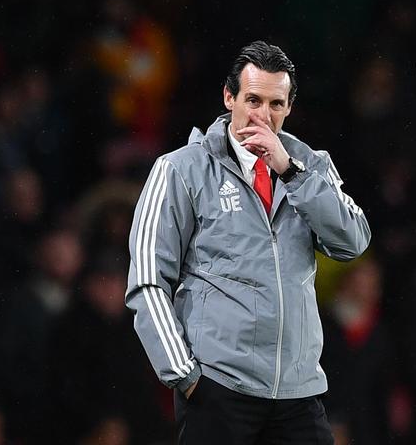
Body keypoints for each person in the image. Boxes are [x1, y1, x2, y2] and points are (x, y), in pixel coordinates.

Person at [125, 41, 371, 444]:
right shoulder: (180, 169)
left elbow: (352, 242)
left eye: (276, 104)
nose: (263, 115)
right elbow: (149, 282)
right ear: (229, 97)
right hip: (219, 389)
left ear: (290, 107)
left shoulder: (310, 165)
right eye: (253, 99)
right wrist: (186, 377)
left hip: (297, 390)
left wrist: (291, 173)